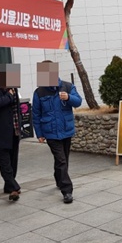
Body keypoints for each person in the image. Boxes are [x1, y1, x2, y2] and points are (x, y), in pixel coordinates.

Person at [32, 63, 82, 204]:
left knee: (63, 159)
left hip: (66, 130)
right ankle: (67, 191)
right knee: (61, 160)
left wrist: (68, 98)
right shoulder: (39, 92)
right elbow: (36, 114)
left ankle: (59, 179)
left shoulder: (67, 86)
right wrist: (40, 134)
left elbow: (78, 102)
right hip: (51, 133)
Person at [0, 67, 22, 201]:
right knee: (4, 163)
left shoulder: (13, 89)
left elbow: (16, 108)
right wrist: (9, 95)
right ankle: (13, 188)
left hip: (14, 131)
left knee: (13, 162)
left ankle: (9, 185)